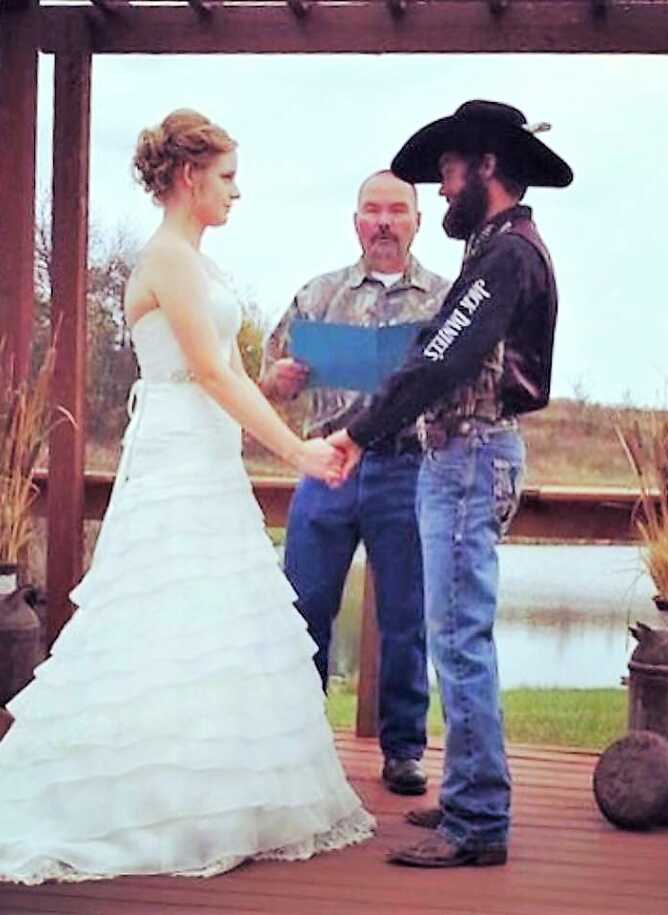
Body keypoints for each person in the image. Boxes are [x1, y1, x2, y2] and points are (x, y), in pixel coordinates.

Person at [0, 109, 375, 883]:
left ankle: (208, 791)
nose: (238, 191)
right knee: (162, 609)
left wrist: (276, 405)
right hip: (178, 452)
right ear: (188, 177)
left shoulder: (198, 263)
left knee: (212, 619)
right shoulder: (168, 258)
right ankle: (143, 795)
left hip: (207, 453)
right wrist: (299, 451)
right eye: (229, 176)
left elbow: (230, 372)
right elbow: (208, 373)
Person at [329, 100, 572, 867]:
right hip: (460, 459)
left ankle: (478, 824)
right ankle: (470, 793)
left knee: (460, 642)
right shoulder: (498, 249)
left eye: (448, 174)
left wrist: (356, 434)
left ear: (486, 166)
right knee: (456, 637)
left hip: (470, 460)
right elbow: (440, 348)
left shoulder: (507, 257)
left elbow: (440, 358)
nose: (439, 192)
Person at [261, 171, 449, 796]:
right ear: (356, 222)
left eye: (398, 211)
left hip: (409, 468)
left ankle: (403, 751)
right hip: (327, 467)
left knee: (405, 615)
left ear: (418, 221)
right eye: (373, 211)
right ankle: (297, 742)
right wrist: (281, 380)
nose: (385, 223)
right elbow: (267, 378)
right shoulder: (318, 295)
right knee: (304, 606)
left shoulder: (445, 300)